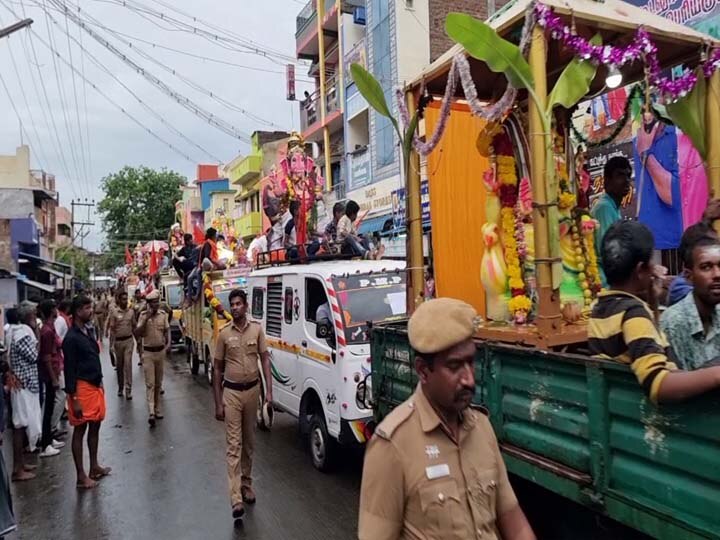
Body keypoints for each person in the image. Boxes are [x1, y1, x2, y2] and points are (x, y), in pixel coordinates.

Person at [358, 298, 535, 540]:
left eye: (471, 363)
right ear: (422, 370)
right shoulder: (392, 446)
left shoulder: (481, 428)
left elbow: (513, 519)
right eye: (454, 366)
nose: (469, 379)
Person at [588, 220, 720, 403]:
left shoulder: (601, 307)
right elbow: (657, 384)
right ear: (641, 269)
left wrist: (652, 298)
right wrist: (716, 374)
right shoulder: (633, 314)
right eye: (652, 262)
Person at [213, 289, 272, 520]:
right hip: (232, 394)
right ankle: (235, 497)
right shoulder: (224, 334)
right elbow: (216, 369)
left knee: (249, 442)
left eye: (239, 303)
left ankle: (247, 484)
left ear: (246, 306)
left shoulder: (257, 330)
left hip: (253, 392)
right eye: (232, 304)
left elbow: (265, 359)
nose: (235, 307)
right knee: (233, 445)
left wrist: (269, 394)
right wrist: (218, 403)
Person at [62, 295, 110, 489]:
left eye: (91, 307)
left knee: (96, 426)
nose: (91, 311)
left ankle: (94, 466)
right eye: (87, 308)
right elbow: (69, 369)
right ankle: (81, 476)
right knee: (80, 429)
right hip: (81, 388)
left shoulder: (88, 331)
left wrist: (100, 381)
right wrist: (74, 398)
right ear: (78, 311)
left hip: (94, 385)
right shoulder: (71, 338)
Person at [660, 225, 720, 370]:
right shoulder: (673, 324)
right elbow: (676, 386)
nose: (717, 274)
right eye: (706, 267)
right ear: (688, 276)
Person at [634, 113, 683, 250]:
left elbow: (673, 196)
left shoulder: (678, 137)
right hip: (646, 246)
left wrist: (645, 154)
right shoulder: (637, 141)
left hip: (675, 246)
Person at [6, 306, 42, 482]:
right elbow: (35, 356)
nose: (35, 318)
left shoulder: (14, 331)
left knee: (22, 424)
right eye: (33, 315)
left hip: (21, 383)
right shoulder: (22, 334)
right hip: (23, 385)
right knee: (19, 425)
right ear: (27, 317)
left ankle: (20, 465)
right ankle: (17, 469)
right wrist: (37, 333)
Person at [592, 156, 632, 285]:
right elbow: (608, 253)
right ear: (607, 181)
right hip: (604, 281)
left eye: (628, 176)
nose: (626, 181)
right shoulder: (604, 208)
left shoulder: (613, 207)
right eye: (620, 175)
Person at [135, 290, 169, 427]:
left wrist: (168, 344)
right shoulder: (143, 316)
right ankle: (151, 412)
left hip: (160, 352)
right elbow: (137, 332)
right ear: (148, 304)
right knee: (150, 383)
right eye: (153, 303)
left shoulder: (163, 315)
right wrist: (146, 319)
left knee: (158, 383)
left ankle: (157, 408)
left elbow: (166, 331)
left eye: (157, 302)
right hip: (148, 353)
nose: (155, 305)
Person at [37, 300, 65, 458]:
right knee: (48, 408)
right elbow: (46, 357)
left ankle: (49, 439)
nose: (57, 310)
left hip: (54, 369)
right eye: (54, 308)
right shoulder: (47, 331)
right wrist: (53, 378)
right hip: (50, 373)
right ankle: (46, 444)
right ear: (51, 311)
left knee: (50, 405)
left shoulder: (50, 327)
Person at [108, 291, 136, 400]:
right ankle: (120, 387)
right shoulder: (114, 313)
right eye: (123, 299)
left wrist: (138, 341)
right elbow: (112, 330)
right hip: (118, 343)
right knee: (119, 366)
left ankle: (128, 390)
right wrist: (111, 346)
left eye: (126, 299)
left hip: (129, 341)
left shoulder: (131, 312)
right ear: (119, 300)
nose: (125, 301)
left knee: (128, 365)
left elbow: (134, 326)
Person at [132, 289, 146, 367]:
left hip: (144, 324)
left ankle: (145, 357)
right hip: (137, 325)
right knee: (139, 342)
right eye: (137, 294)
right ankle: (141, 357)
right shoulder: (133, 304)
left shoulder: (144, 303)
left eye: (139, 293)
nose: (138, 295)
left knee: (145, 341)